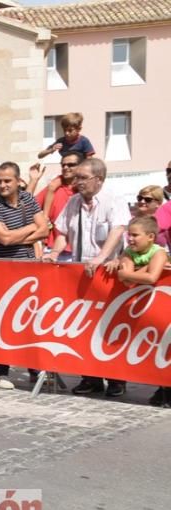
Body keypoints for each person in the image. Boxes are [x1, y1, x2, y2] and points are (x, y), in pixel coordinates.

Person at [47, 157, 129, 398]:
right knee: (85, 328)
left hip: (108, 273)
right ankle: (90, 377)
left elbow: (118, 230)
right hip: (80, 272)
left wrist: (101, 258)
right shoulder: (73, 202)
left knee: (109, 328)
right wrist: (54, 252)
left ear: (99, 180)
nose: (77, 182)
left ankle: (116, 379)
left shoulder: (114, 199)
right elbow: (61, 231)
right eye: (76, 177)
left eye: (83, 178)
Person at [0, 162, 49, 389]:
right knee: (1, 321)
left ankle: (34, 368)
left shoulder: (28, 200)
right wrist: (31, 228)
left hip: (28, 269)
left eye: (7, 180)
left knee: (29, 321)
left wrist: (24, 232)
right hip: (2, 271)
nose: (2, 185)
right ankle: (0, 372)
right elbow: (4, 239)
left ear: (18, 181)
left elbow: (46, 230)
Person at [114, 216, 170, 407]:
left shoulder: (159, 252)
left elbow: (152, 277)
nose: (130, 239)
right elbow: (128, 281)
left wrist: (128, 271)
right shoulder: (129, 251)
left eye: (135, 235)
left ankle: (165, 390)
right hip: (141, 311)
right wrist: (141, 270)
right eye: (129, 234)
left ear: (151, 237)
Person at [35, 151, 85, 257]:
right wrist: (33, 181)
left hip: (83, 250)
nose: (65, 167)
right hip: (53, 250)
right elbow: (28, 206)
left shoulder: (87, 190)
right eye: (63, 165)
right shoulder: (52, 188)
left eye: (71, 165)